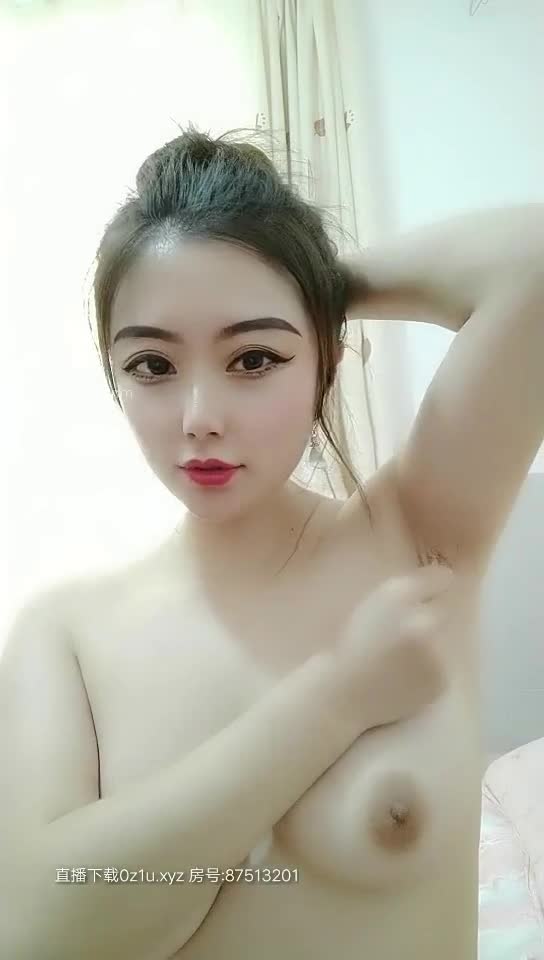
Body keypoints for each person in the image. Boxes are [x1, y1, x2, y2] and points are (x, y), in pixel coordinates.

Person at [1, 126, 543, 960]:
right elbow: (40, 930)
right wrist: (338, 698)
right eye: (152, 366)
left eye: (254, 357)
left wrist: (304, 280)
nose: (200, 418)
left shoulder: (416, 535)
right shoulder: (63, 633)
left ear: (325, 359)